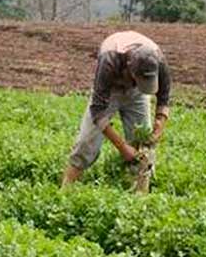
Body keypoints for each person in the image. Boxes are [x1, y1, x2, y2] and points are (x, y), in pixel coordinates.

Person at [62, 31, 171, 193]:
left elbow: (164, 97)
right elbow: (98, 111)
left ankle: (140, 198)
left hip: (137, 94)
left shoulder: (157, 59)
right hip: (110, 92)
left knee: (143, 145)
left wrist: (159, 124)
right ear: (130, 69)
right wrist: (122, 147)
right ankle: (64, 193)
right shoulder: (109, 60)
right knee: (87, 142)